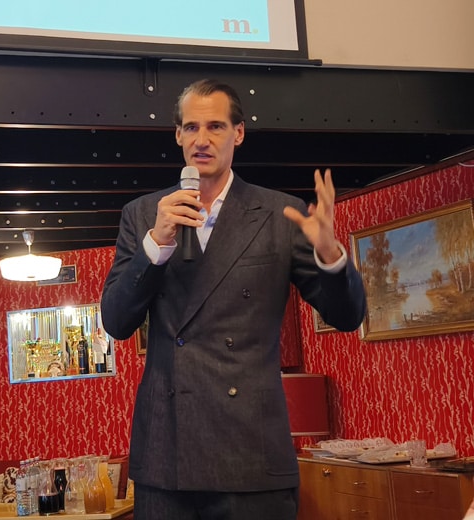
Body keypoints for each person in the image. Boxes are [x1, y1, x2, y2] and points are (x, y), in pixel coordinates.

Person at [100, 79, 367, 520]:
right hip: (166, 456)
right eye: (191, 127)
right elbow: (115, 321)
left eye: (216, 127)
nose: (201, 139)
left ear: (238, 133)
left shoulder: (278, 214)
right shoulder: (143, 214)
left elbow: (347, 315)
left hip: (250, 455)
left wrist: (330, 256)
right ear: (178, 135)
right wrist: (155, 244)